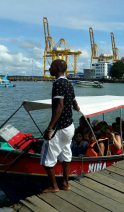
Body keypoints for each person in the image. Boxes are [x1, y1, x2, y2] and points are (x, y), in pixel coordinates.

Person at [40, 59, 80, 193]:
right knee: (66, 154)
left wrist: (50, 128)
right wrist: (76, 107)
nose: (49, 69)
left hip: (59, 128)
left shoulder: (58, 83)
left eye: (51, 67)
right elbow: (74, 102)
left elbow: (59, 106)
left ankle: (53, 186)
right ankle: (65, 183)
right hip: (69, 127)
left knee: (48, 158)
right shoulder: (69, 83)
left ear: (57, 69)